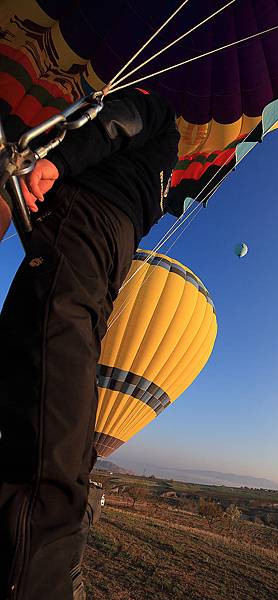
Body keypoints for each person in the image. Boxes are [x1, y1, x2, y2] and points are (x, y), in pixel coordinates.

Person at [0, 87, 180, 600]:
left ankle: (37, 572)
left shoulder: (154, 109)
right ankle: (49, 558)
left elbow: (114, 121)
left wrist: (56, 161)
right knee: (49, 366)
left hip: (86, 222)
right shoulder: (160, 173)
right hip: (110, 251)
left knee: (49, 360)